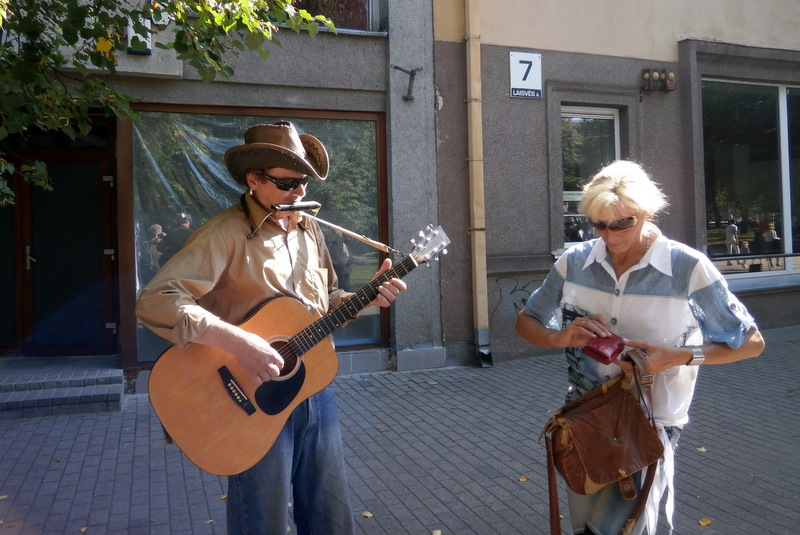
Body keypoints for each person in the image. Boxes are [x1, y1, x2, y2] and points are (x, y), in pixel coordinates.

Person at [135, 120, 407, 535]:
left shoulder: (309, 230)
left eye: (304, 183)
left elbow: (326, 302)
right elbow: (157, 300)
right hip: (246, 397)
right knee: (262, 519)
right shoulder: (224, 235)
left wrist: (366, 297)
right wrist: (239, 342)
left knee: (330, 513)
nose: (299, 192)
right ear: (254, 180)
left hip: (313, 387)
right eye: (287, 183)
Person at [514, 160, 765, 535]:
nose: (610, 235)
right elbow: (527, 321)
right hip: (583, 417)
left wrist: (680, 356)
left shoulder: (686, 267)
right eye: (600, 224)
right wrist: (559, 337)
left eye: (623, 223)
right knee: (584, 528)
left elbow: (751, 343)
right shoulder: (574, 262)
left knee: (614, 530)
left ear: (648, 213)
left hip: (650, 422)